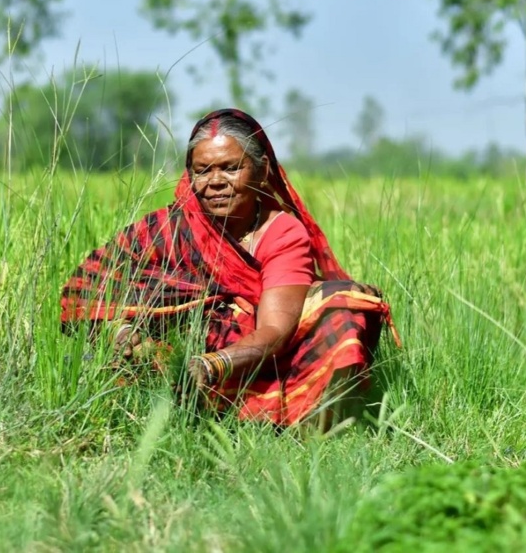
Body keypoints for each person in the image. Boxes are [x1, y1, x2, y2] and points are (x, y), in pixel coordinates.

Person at [60, 108, 399, 431]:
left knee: (342, 304)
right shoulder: (168, 229)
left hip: (256, 361)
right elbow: (85, 288)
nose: (215, 182)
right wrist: (118, 331)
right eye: (202, 170)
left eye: (230, 168)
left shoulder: (281, 232)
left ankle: (310, 424)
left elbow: (276, 331)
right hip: (174, 361)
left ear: (263, 170)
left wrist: (210, 364)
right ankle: (164, 413)